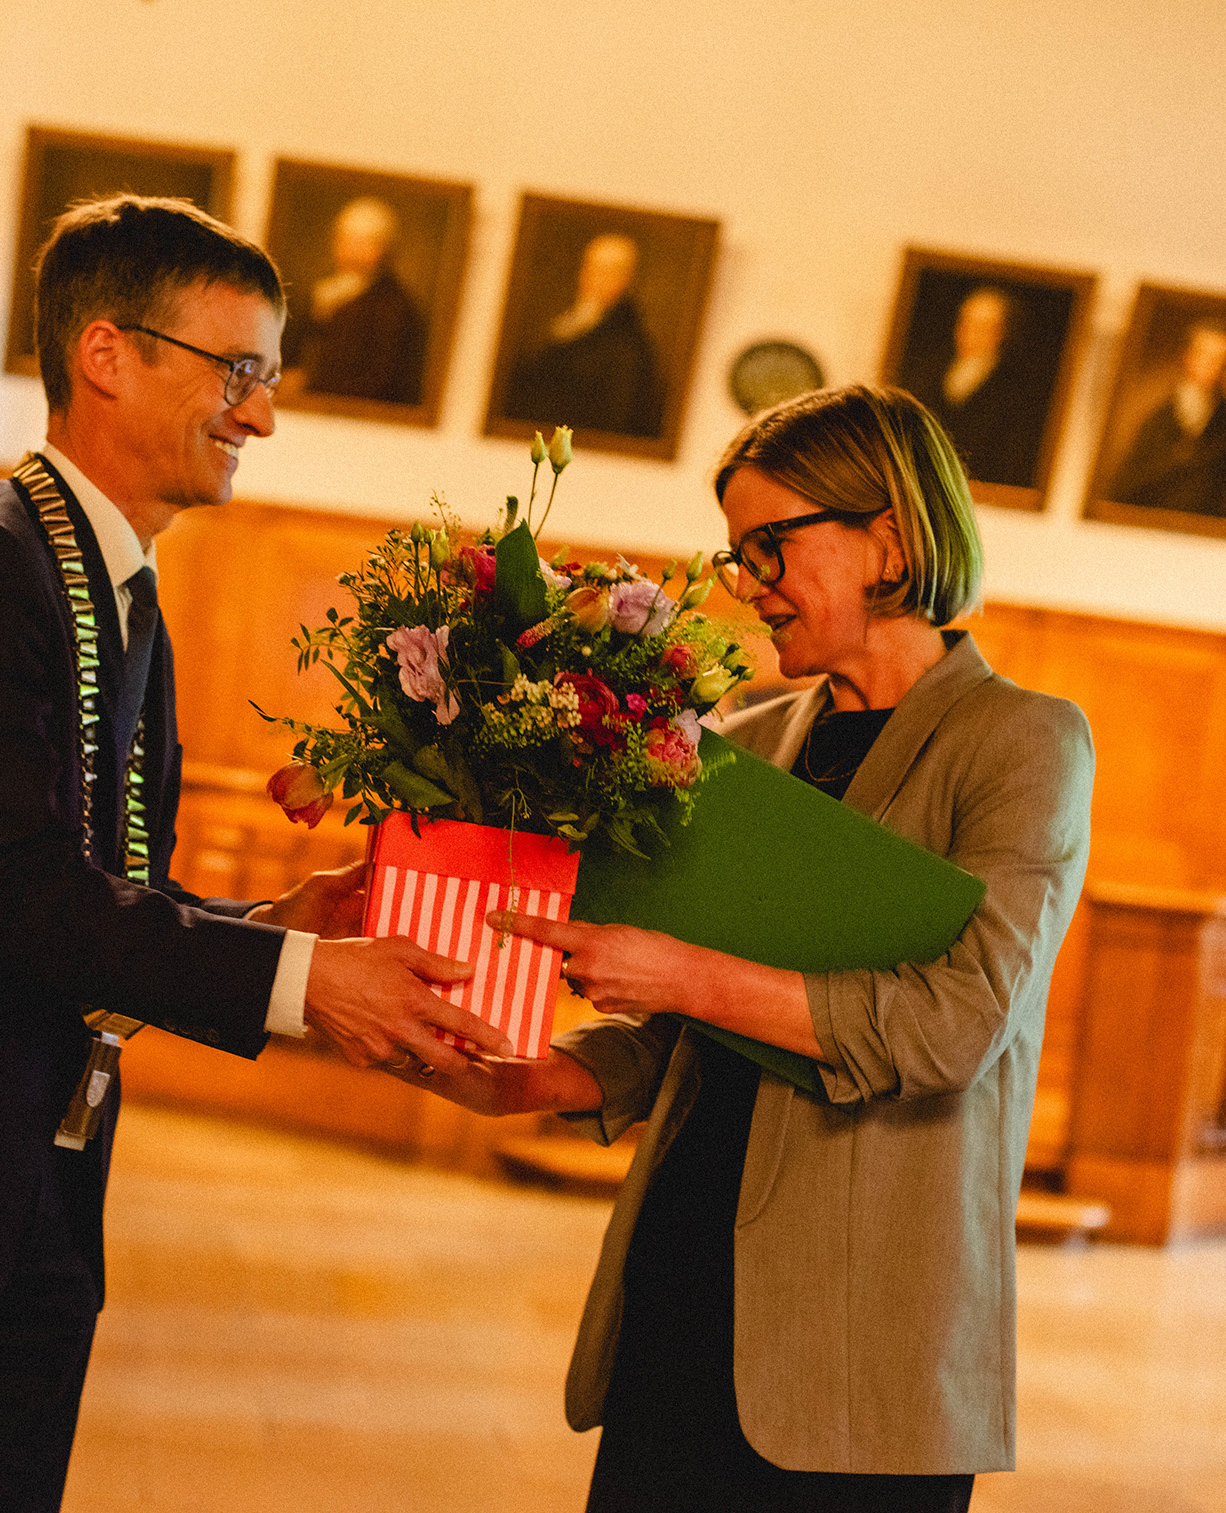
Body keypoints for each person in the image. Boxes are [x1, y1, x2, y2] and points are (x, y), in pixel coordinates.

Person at [0, 194, 511, 1513]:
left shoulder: (120, 592)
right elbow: (9, 900)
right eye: (237, 372)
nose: (262, 416)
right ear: (107, 354)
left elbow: (95, 897)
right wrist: (300, 983)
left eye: (269, 377)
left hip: (24, 1201)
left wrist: (275, 921)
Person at [398, 385, 1093, 1511]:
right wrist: (549, 1074)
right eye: (735, 554)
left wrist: (675, 971)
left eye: (771, 544)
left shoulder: (1022, 741)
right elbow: (689, 1029)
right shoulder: (742, 739)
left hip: (861, 1340)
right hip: (684, 1280)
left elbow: (954, 1024)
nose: (748, 583)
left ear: (894, 536)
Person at [503, 231, 664, 437]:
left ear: (624, 280)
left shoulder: (628, 345)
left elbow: (616, 414)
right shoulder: (566, 320)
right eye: (591, 268)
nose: (594, 278)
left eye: (607, 272)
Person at [1104, 317, 1226, 520]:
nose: (1212, 366)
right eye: (1205, 355)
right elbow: (1125, 488)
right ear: (1188, 356)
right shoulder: (1155, 422)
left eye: (1221, 359)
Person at [281, 194, 427, 404]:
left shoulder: (396, 308)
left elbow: (381, 381)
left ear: (386, 250)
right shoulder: (319, 289)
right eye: (345, 240)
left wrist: (309, 385)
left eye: (365, 244)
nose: (352, 252)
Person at [898, 285, 1044, 489]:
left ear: (999, 332)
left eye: (982, 326)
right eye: (966, 322)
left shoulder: (1014, 389)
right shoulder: (929, 372)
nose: (969, 332)